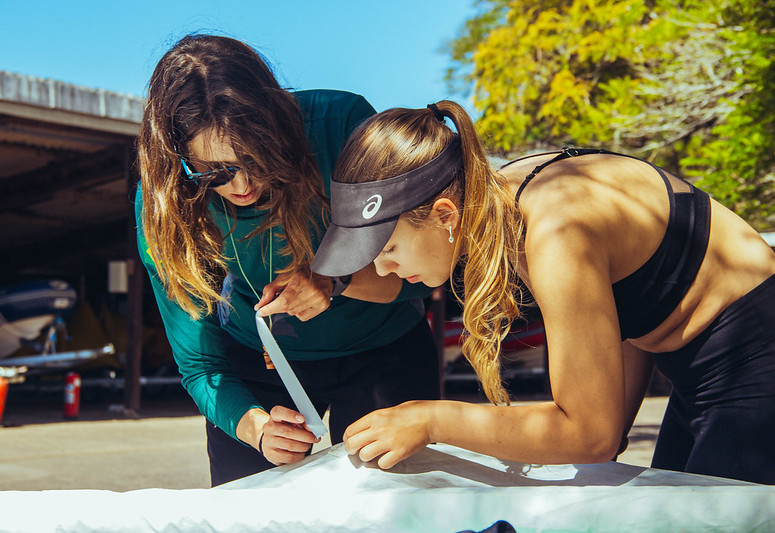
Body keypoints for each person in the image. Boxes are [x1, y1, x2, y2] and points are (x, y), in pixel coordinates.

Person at [311, 100, 775, 485]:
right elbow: (629, 321)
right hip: (701, 366)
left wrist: (430, 421)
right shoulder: (507, 200)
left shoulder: (554, 232)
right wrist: (607, 435)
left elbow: (587, 431)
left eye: (388, 247)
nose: (381, 268)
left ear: (446, 215)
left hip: (755, 352)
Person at [135, 34, 440, 486]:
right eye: (214, 172)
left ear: (278, 125)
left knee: (395, 507)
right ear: (180, 160)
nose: (241, 185)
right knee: (248, 513)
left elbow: (420, 279)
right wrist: (254, 427)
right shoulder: (165, 205)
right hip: (256, 367)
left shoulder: (342, 123)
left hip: (385, 348)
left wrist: (333, 280)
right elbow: (200, 363)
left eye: (256, 157)